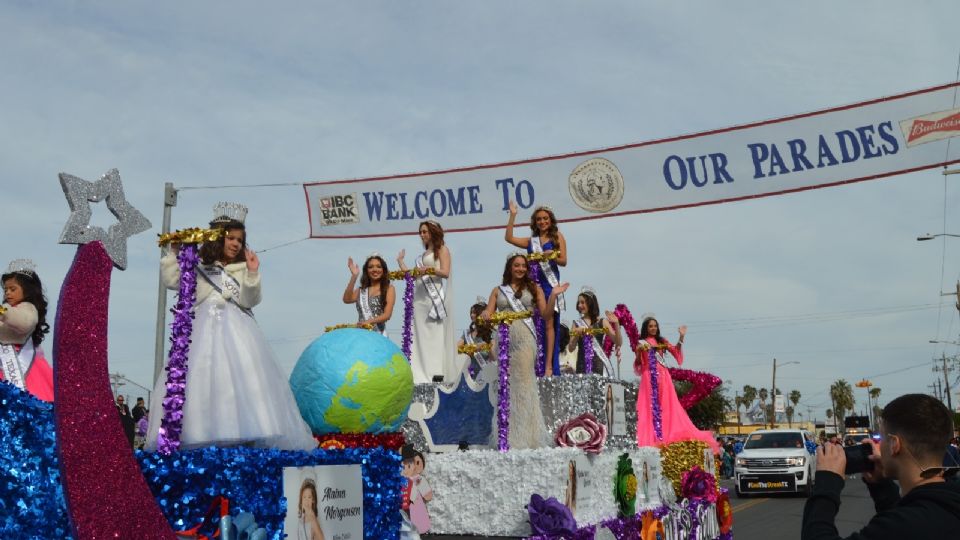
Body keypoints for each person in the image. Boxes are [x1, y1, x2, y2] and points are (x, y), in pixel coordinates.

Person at [145, 202, 316, 451]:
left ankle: (248, 431)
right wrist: (173, 254)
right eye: (231, 238)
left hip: (238, 328)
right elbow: (173, 281)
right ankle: (198, 433)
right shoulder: (200, 265)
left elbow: (249, 300)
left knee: (244, 379)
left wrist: (254, 272)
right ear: (217, 237)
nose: (236, 244)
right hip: (201, 328)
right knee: (201, 378)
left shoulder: (242, 267)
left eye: (240, 239)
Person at [802, 393, 960, 539]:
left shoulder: (903, 526)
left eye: (882, 438)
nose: (879, 446)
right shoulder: (947, 501)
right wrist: (881, 486)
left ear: (894, 444)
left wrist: (826, 483)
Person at [480, 253, 568, 449]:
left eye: (523, 266)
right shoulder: (498, 290)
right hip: (503, 343)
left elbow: (546, 315)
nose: (520, 269)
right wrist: (486, 314)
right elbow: (489, 313)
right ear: (510, 267)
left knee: (524, 386)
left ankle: (528, 438)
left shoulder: (534, 289)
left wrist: (553, 295)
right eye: (516, 265)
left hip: (525, 341)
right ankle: (508, 436)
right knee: (507, 388)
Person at [634, 316, 719, 453]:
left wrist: (681, 337)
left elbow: (676, 352)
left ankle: (667, 436)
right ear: (646, 328)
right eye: (650, 326)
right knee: (650, 408)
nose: (653, 328)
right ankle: (652, 438)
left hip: (664, 378)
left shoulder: (662, 341)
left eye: (655, 325)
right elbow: (638, 364)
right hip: (649, 378)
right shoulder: (641, 343)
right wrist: (639, 352)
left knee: (667, 407)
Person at [504, 202, 567, 377]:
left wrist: (551, 256)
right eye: (539, 219)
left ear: (550, 220)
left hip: (549, 286)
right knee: (532, 326)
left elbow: (564, 260)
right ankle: (533, 365)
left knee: (549, 325)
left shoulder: (557, 237)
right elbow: (509, 238)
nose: (542, 222)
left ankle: (548, 367)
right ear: (535, 222)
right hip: (532, 288)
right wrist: (513, 215)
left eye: (545, 218)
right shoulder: (531, 241)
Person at [397, 221, 455, 384]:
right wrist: (401, 263)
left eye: (425, 232)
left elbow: (445, 272)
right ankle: (419, 374)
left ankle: (435, 373)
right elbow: (413, 275)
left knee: (434, 335)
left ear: (433, 232)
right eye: (420, 232)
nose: (422, 235)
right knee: (419, 335)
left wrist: (429, 270)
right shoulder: (422, 256)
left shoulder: (442, 249)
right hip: (419, 298)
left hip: (433, 298)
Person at [0, 259, 54, 402]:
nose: (7, 293)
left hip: (24, 365)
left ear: (27, 290)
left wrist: (3, 311)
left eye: (13, 289)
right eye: (5, 290)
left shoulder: (27, 309)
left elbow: (24, 322)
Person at [566, 287, 621, 376]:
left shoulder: (602, 322)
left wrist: (617, 324)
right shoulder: (576, 323)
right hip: (582, 367)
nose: (579, 305)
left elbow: (618, 342)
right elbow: (571, 348)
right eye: (579, 303)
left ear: (590, 303)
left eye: (582, 302)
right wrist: (577, 334)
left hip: (599, 368)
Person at [342, 254, 396, 334]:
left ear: (383, 270)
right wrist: (354, 276)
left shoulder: (389, 288)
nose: (375, 269)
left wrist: (368, 322)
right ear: (366, 271)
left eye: (378, 266)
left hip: (378, 334)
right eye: (371, 267)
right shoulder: (361, 290)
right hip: (362, 334)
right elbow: (346, 299)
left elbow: (387, 315)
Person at [456, 298, 493, 381]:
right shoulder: (467, 334)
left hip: (485, 377)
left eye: (475, 313)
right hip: (470, 375)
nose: (472, 315)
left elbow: (494, 358)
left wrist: (486, 346)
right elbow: (456, 349)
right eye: (471, 312)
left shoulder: (491, 333)